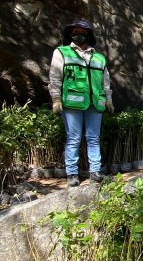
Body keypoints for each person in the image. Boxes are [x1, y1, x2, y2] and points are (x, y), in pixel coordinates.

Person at [49, 20, 114, 187]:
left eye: (83, 33)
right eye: (76, 32)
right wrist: (56, 98)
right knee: (74, 138)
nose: (79, 35)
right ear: (70, 34)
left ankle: (95, 172)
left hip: (95, 103)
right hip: (72, 103)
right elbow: (55, 77)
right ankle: (72, 174)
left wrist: (109, 99)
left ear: (88, 36)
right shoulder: (62, 52)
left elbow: (105, 81)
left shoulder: (99, 57)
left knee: (93, 138)